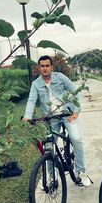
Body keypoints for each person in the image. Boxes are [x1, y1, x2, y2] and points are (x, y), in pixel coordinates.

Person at [24, 55, 91, 187]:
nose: (45, 68)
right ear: (39, 68)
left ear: (51, 67)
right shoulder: (36, 84)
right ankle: (52, 177)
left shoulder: (60, 77)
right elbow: (31, 101)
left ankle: (81, 172)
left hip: (67, 114)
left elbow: (75, 91)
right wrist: (27, 116)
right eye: (42, 66)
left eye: (47, 65)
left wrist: (76, 111)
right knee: (49, 147)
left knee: (76, 138)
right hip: (50, 119)